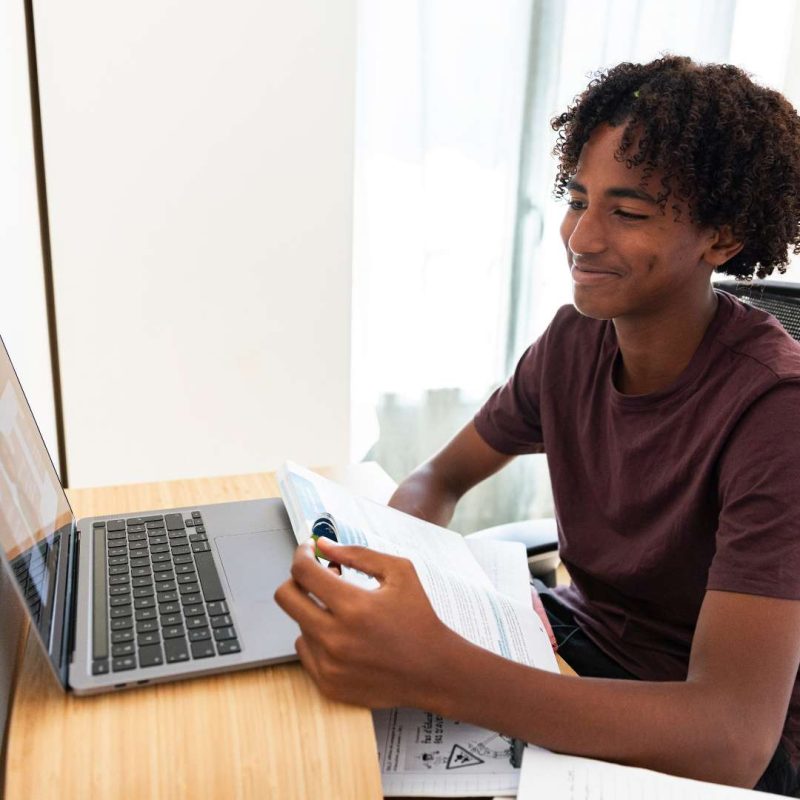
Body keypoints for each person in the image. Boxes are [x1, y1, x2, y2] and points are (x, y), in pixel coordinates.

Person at [275, 56, 800, 794]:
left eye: (629, 212)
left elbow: (732, 738)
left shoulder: (776, 412)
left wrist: (440, 671)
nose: (581, 238)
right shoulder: (573, 342)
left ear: (723, 236)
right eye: (578, 198)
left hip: (692, 745)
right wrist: (384, 568)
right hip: (572, 651)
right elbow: (438, 478)